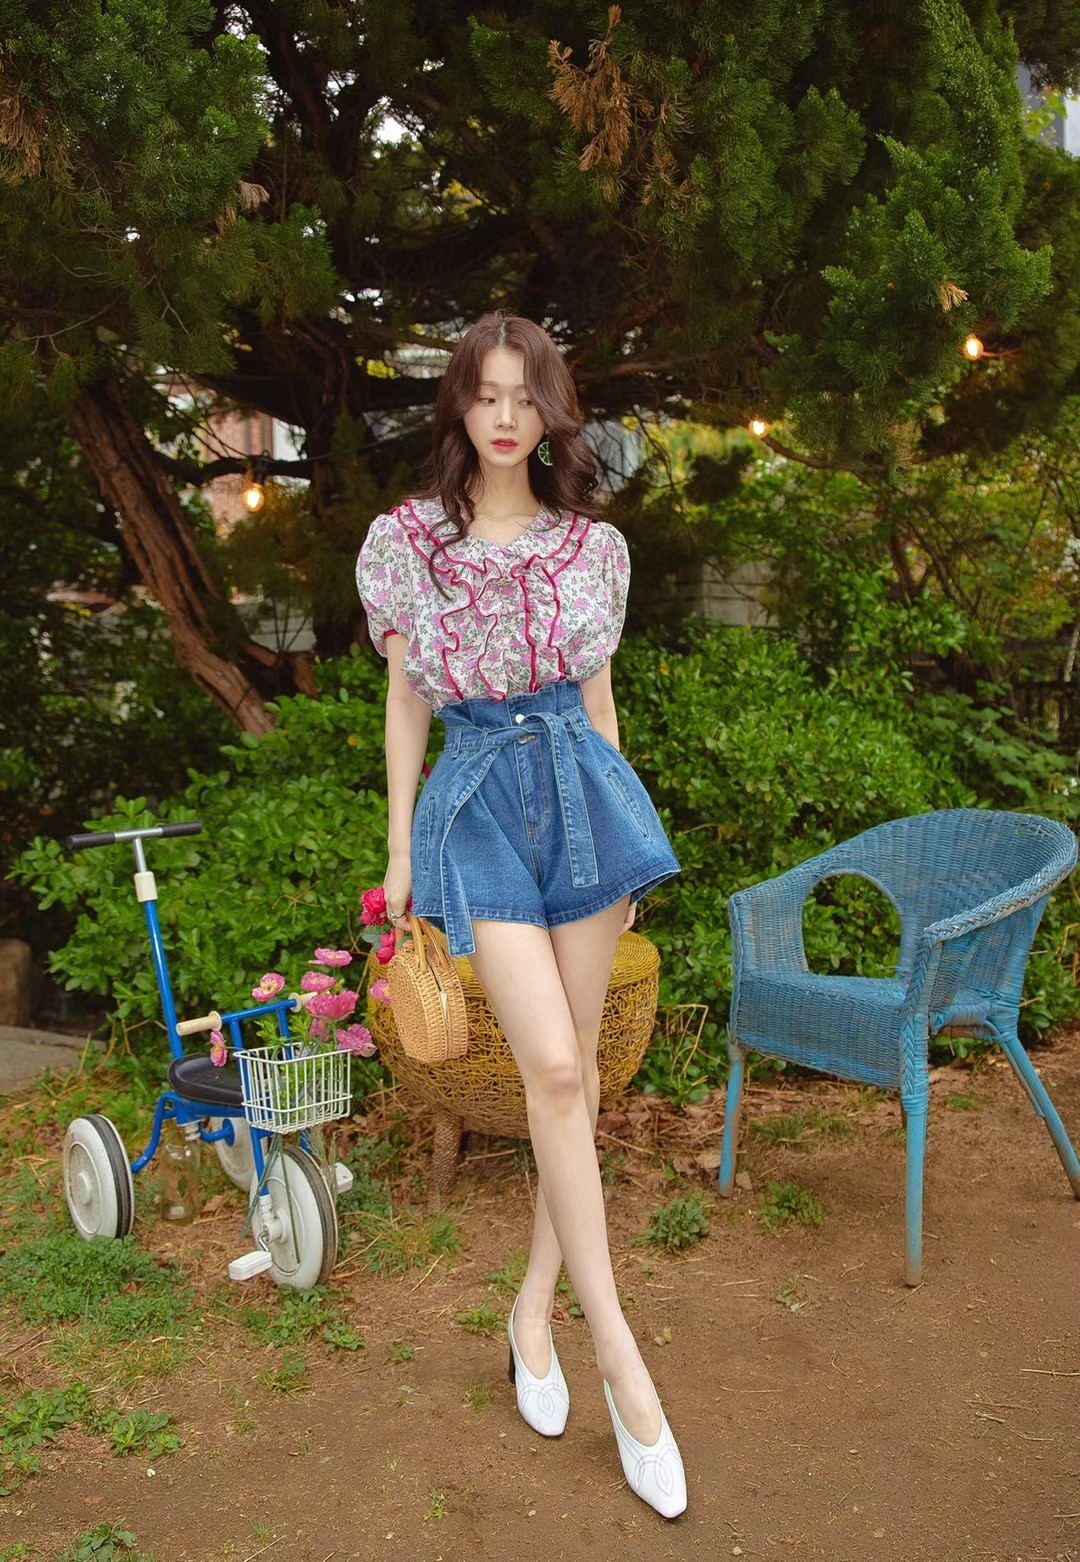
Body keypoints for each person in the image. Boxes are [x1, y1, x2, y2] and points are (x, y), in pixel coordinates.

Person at [355, 312, 687, 1519]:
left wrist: (621, 833)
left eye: (524, 395)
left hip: (584, 800)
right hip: (478, 803)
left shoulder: (591, 548)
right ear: (460, 406)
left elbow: (599, 706)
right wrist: (402, 847)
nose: (505, 416)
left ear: (550, 412)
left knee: (578, 1076)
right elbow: (407, 701)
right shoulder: (409, 544)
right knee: (551, 1065)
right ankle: (625, 1363)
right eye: (485, 394)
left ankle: (534, 1309)